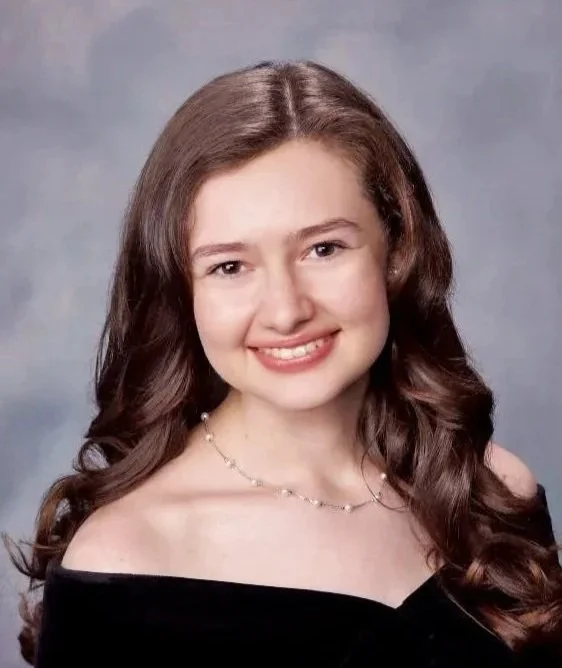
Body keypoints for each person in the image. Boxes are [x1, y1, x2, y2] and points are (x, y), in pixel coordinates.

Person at [5, 59, 561, 667]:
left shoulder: (490, 491)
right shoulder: (125, 560)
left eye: (324, 248)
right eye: (229, 266)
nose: (286, 310)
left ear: (398, 251)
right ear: (180, 291)